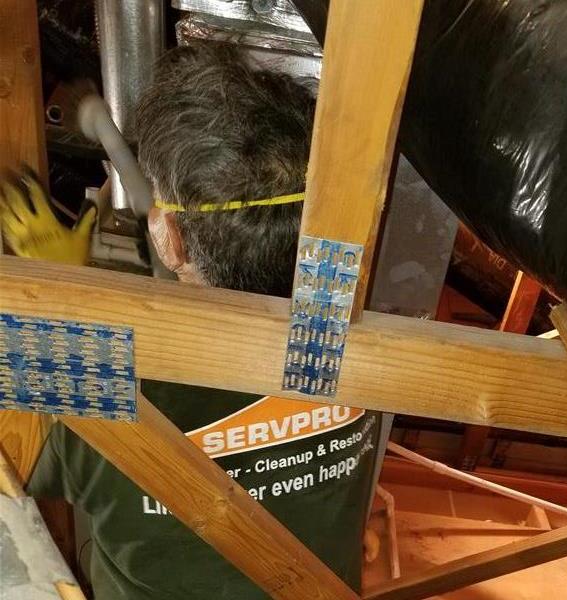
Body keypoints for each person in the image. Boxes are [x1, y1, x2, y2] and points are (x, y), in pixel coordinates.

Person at [2, 41, 379, 599]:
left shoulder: (108, 391)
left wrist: (62, 307)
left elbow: (17, 467)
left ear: (170, 238)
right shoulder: (369, 351)